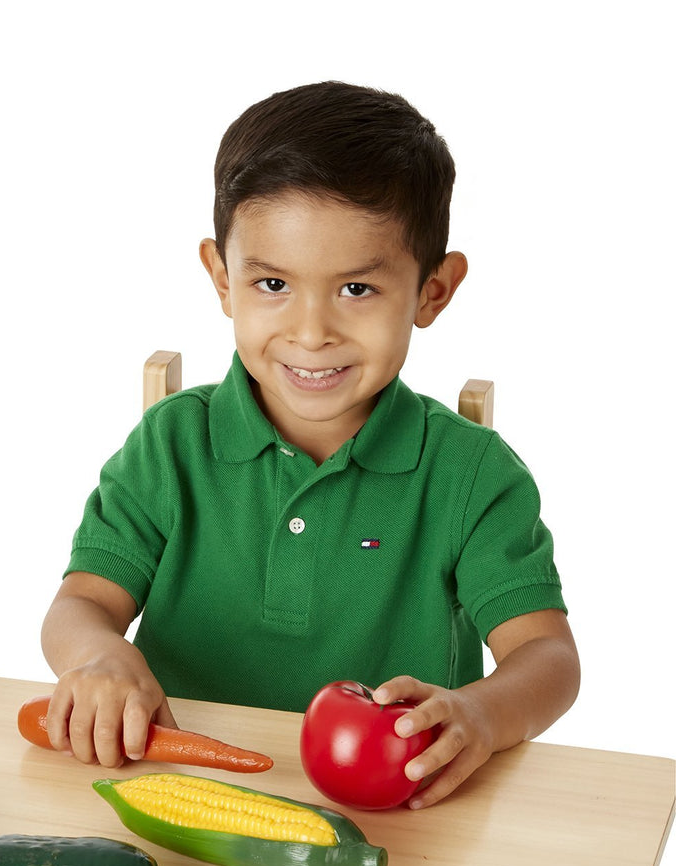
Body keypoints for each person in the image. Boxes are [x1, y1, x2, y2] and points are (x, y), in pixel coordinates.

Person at [40, 81, 579, 808]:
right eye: (271, 283)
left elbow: (547, 656)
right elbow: (79, 604)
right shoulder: (170, 444)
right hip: (178, 789)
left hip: (395, 811)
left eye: (356, 290)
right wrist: (98, 656)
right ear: (221, 279)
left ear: (432, 291)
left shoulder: (472, 473)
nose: (310, 331)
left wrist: (484, 711)